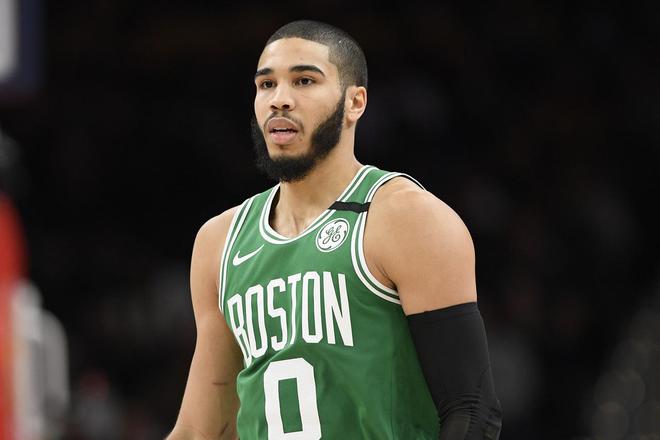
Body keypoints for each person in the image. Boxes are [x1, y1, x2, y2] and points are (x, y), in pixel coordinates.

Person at [167, 20, 502, 440]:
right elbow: (202, 430)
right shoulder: (220, 241)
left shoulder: (405, 217)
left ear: (354, 102)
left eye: (304, 80)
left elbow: (472, 412)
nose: (279, 99)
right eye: (266, 84)